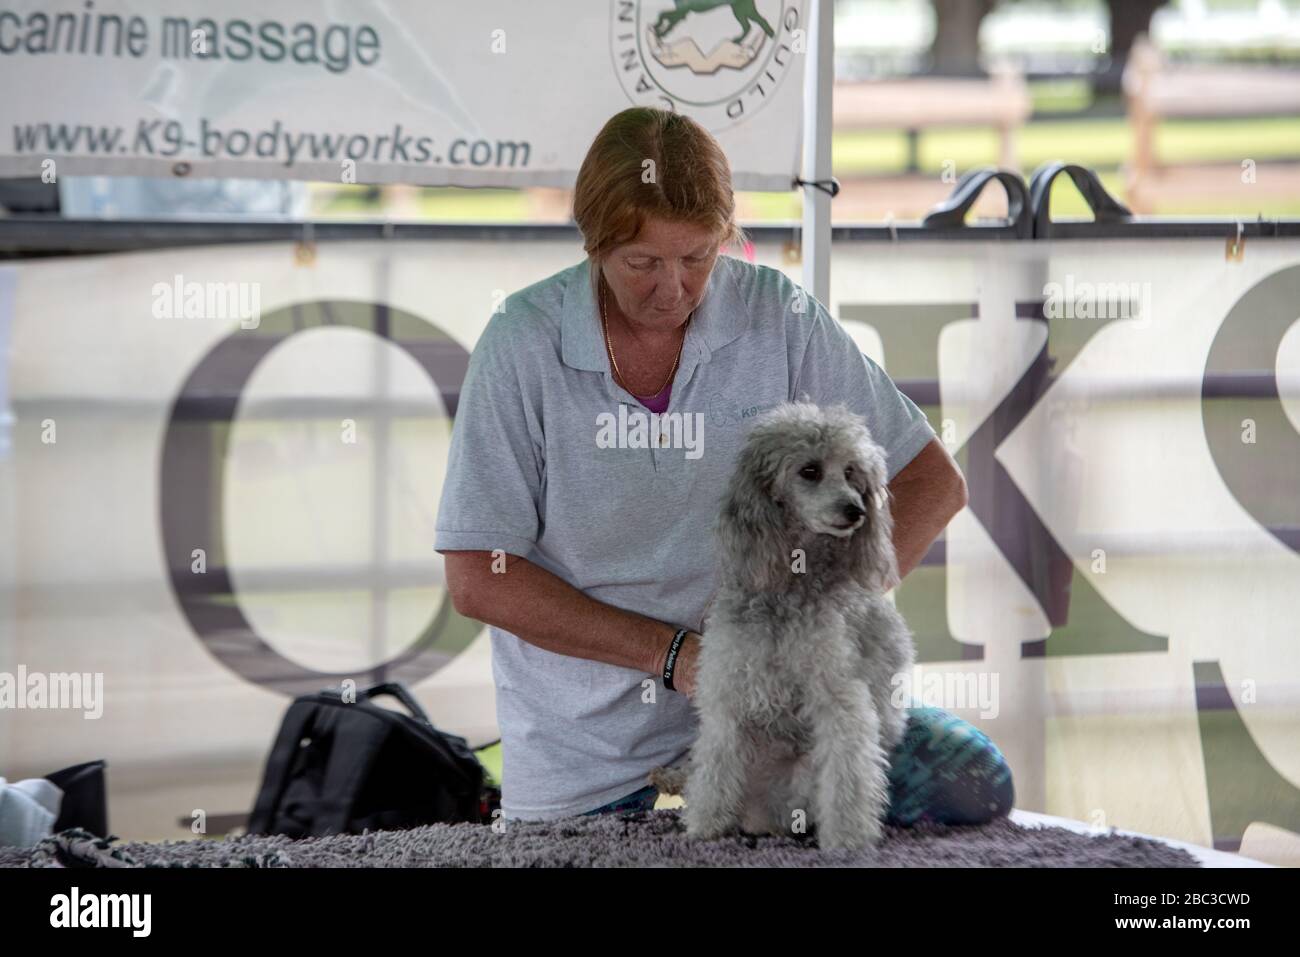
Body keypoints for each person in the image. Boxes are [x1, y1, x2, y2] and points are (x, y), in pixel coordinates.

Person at [435, 106, 1013, 826]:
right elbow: (478, 575)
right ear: (594, 243)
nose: (673, 289)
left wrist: (824, 614)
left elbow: (932, 482)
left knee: (976, 780)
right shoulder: (522, 343)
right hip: (584, 755)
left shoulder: (779, 317)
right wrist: (677, 655)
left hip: (781, 720)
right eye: (643, 262)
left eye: (699, 257)